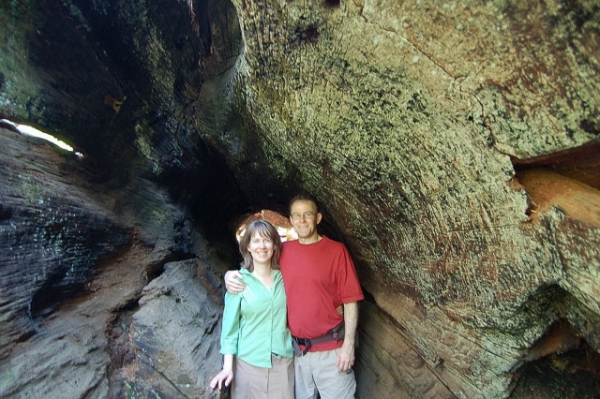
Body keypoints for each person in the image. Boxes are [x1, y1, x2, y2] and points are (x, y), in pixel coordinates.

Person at [225, 192, 364, 399]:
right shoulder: (284, 252)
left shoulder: (336, 251)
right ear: (290, 220)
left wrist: (348, 347)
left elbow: (350, 299)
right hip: (297, 355)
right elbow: (260, 266)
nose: (302, 220)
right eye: (297, 216)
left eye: (307, 215)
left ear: (317, 218)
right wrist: (230, 274)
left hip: (332, 352)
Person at [211, 220, 294, 399]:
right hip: (246, 366)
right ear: (247, 246)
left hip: (282, 364)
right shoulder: (238, 281)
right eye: (256, 241)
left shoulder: (286, 278)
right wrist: (227, 367)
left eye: (267, 240)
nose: (261, 246)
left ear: (274, 245)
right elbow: (230, 330)